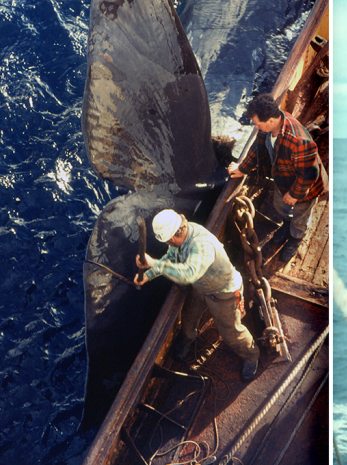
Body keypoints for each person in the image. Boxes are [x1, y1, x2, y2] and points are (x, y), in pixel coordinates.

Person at [134, 210, 260, 381]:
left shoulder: (201, 246)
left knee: (231, 332)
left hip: (224, 292)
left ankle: (251, 356)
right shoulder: (180, 235)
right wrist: (150, 274)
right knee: (189, 317)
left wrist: (153, 263)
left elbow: (188, 275)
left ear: (171, 238)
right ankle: (187, 339)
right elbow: (171, 258)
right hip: (202, 286)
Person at [228, 94, 323, 262]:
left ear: (271, 121)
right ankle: (287, 225)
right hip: (282, 180)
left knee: (300, 216)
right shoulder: (268, 129)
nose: (256, 127)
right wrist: (243, 168)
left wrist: (294, 194)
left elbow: (310, 174)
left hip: (303, 188)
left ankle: (296, 238)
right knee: (281, 206)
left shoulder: (299, 141)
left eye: (257, 124)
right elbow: (258, 150)